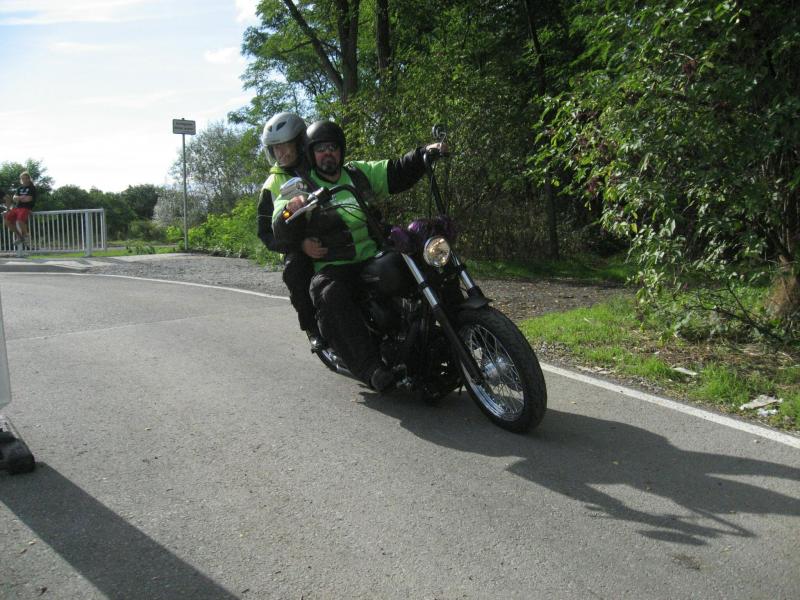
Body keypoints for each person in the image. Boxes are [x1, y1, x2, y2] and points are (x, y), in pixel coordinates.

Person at [273, 120, 446, 391]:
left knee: (424, 260)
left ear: (341, 150)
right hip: (335, 265)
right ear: (311, 153)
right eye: (320, 149)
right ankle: (370, 368)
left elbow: (394, 170)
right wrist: (292, 208)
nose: (327, 154)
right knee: (328, 293)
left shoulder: (356, 172)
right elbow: (280, 221)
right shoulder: (302, 186)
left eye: (333, 148)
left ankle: (438, 333)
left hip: (374, 254)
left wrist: (424, 153)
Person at [256, 112, 322, 347]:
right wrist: (300, 246)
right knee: (295, 271)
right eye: (275, 148)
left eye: (285, 145)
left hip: (336, 231)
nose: (281, 153)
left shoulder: (320, 165)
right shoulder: (271, 185)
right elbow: (265, 233)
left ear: (300, 142)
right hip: (297, 247)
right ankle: (312, 328)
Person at [4, 171, 36, 246]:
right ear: (21, 180)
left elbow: (29, 199)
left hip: (26, 207)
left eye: (26, 178)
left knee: (20, 220)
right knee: (7, 221)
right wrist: (22, 197)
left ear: (29, 179)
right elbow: (14, 198)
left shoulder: (32, 188)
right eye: (22, 178)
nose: (24, 180)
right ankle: (20, 236)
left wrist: (19, 198)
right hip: (17, 208)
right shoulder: (19, 188)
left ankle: (26, 236)